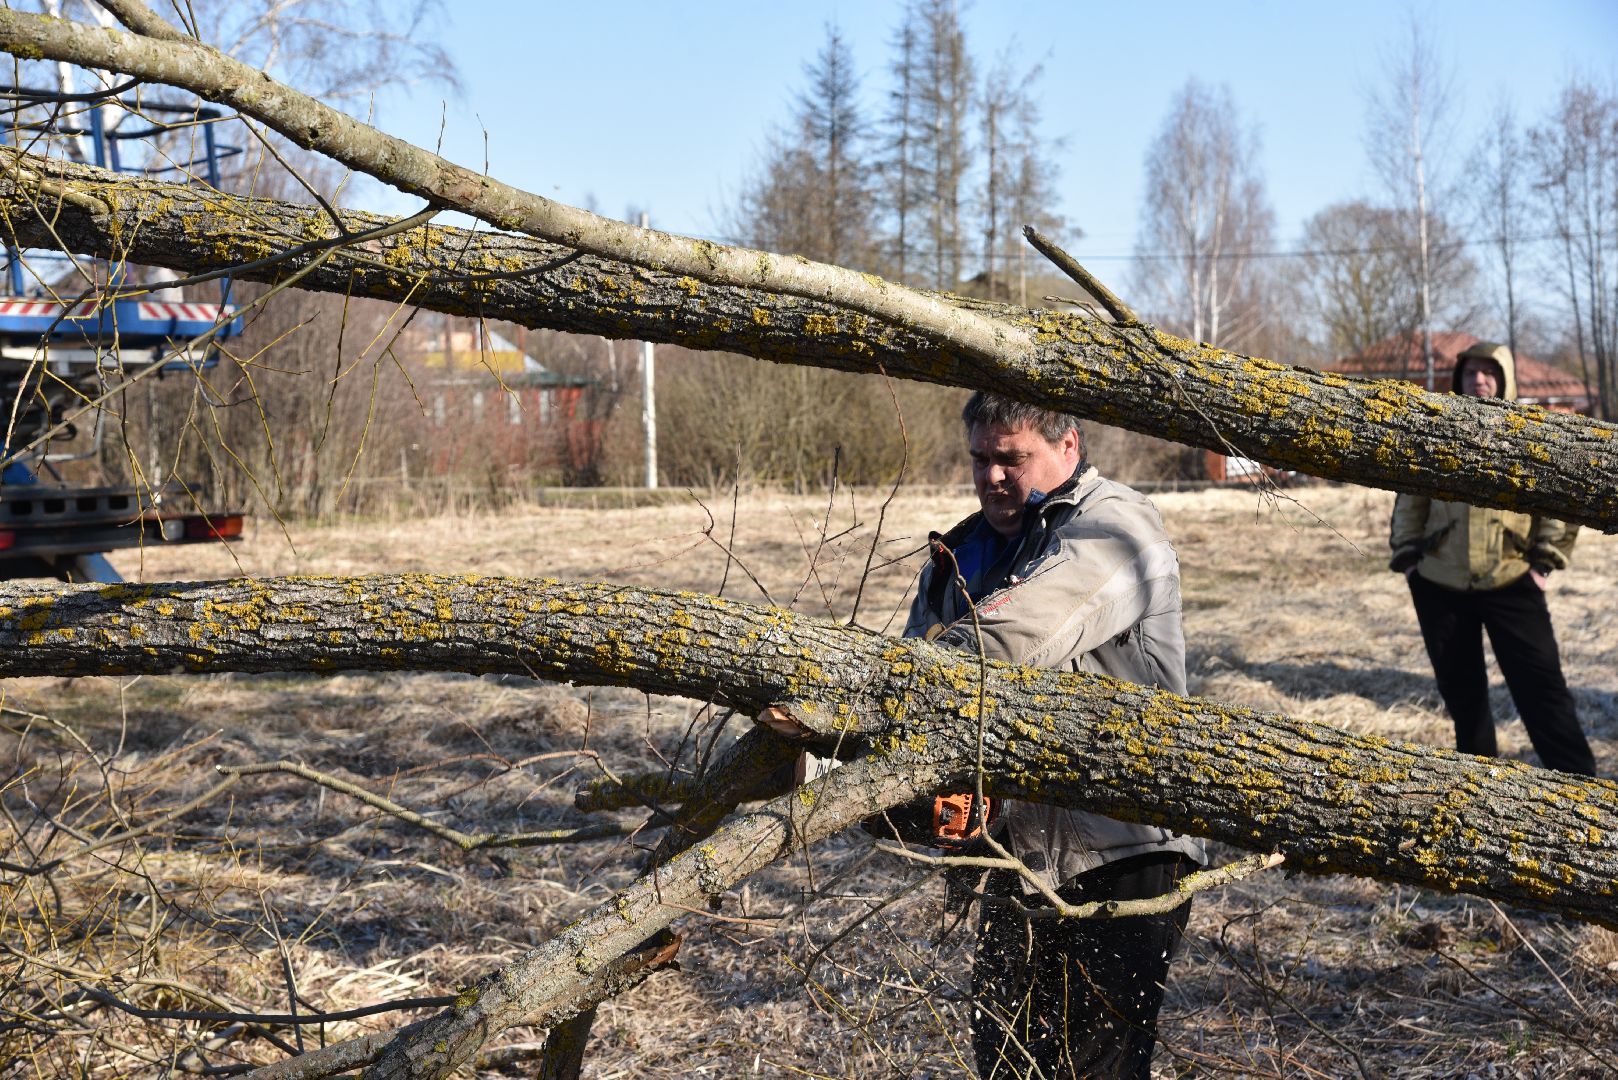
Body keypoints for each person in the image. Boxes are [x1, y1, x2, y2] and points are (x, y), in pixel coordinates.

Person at [904, 391, 1206, 1079]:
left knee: (1091, 1071)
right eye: (980, 459)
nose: (990, 477)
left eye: (1011, 458)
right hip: (1018, 856)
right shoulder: (964, 551)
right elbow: (912, 671)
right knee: (1006, 1066)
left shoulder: (1118, 528)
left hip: (1122, 852)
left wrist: (893, 690)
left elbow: (1014, 639)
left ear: (1068, 447)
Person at [1389, 340, 1596, 777]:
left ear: (1504, 379)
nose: (1478, 380)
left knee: (1543, 693)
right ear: (1459, 380)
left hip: (1512, 581)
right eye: (1470, 373)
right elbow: (1411, 499)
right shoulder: (1437, 432)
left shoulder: (1530, 432)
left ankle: (1585, 791)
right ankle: (1481, 793)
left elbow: (1559, 500)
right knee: (1464, 698)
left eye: (1488, 372)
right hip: (1440, 583)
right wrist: (1410, 561)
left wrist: (1543, 563)